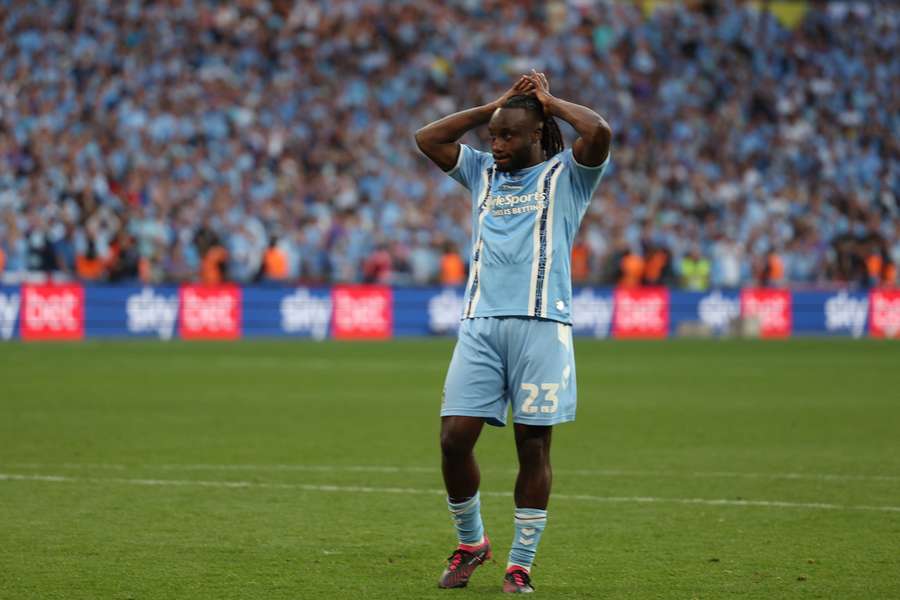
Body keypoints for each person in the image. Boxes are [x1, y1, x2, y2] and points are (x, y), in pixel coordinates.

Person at [415, 70, 611, 593]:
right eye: (493, 136)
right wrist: (493, 106)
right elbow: (427, 138)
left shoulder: (568, 177)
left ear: (534, 136)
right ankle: (472, 543)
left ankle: (520, 563)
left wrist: (549, 102)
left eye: (507, 135)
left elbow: (599, 132)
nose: (495, 144)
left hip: (543, 325)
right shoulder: (480, 171)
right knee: (454, 440)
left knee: (533, 446)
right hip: (480, 324)